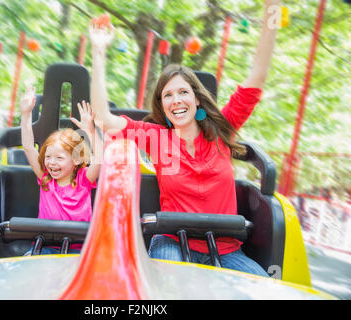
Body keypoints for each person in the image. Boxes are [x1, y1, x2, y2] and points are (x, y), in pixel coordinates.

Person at [88, 0, 281, 277]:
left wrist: (271, 10)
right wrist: (98, 51)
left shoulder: (221, 131)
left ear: (196, 99)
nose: (176, 100)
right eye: (168, 95)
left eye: (183, 93)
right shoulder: (155, 138)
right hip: (173, 242)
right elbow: (104, 119)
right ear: (162, 105)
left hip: (225, 249)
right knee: (171, 284)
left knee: (264, 289)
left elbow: (257, 77)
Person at [19, 86, 102, 255]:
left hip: (77, 249)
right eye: (48, 157)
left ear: (76, 159)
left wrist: (91, 132)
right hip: (46, 247)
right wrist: (26, 114)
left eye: (59, 158)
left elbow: (101, 159)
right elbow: (28, 147)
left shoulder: (83, 180)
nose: (51, 163)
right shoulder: (46, 179)